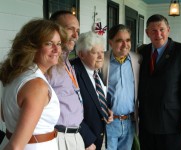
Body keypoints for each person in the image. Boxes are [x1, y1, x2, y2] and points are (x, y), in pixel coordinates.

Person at [0, 19, 67, 150]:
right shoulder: (36, 85)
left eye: (58, 44)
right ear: (31, 47)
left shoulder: (15, 75)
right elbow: (15, 146)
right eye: (49, 43)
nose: (56, 49)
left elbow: (4, 116)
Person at [138, 14, 181, 150]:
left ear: (168, 30)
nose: (158, 34)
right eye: (153, 30)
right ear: (147, 33)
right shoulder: (142, 52)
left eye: (162, 29)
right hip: (146, 122)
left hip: (172, 122)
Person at [46, 10, 85, 150]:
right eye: (70, 29)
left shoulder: (67, 61)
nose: (76, 35)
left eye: (78, 30)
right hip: (58, 137)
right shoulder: (48, 65)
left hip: (75, 135)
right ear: (53, 30)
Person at [70, 31, 113, 150]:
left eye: (102, 52)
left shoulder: (95, 70)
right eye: (95, 52)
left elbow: (98, 97)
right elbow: (69, 111)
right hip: (84, 141)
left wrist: (107, 109)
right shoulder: (72, 73)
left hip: (99, 135)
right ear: (81, 54)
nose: (101, 56)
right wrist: (87, 139)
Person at [101, 24, 141, 150]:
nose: (125, 44)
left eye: (128, 40)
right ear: (110, 43)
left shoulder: (138, 60)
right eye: (119, 40)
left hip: (130, 121)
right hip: (110, 123)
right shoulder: (102, 60)